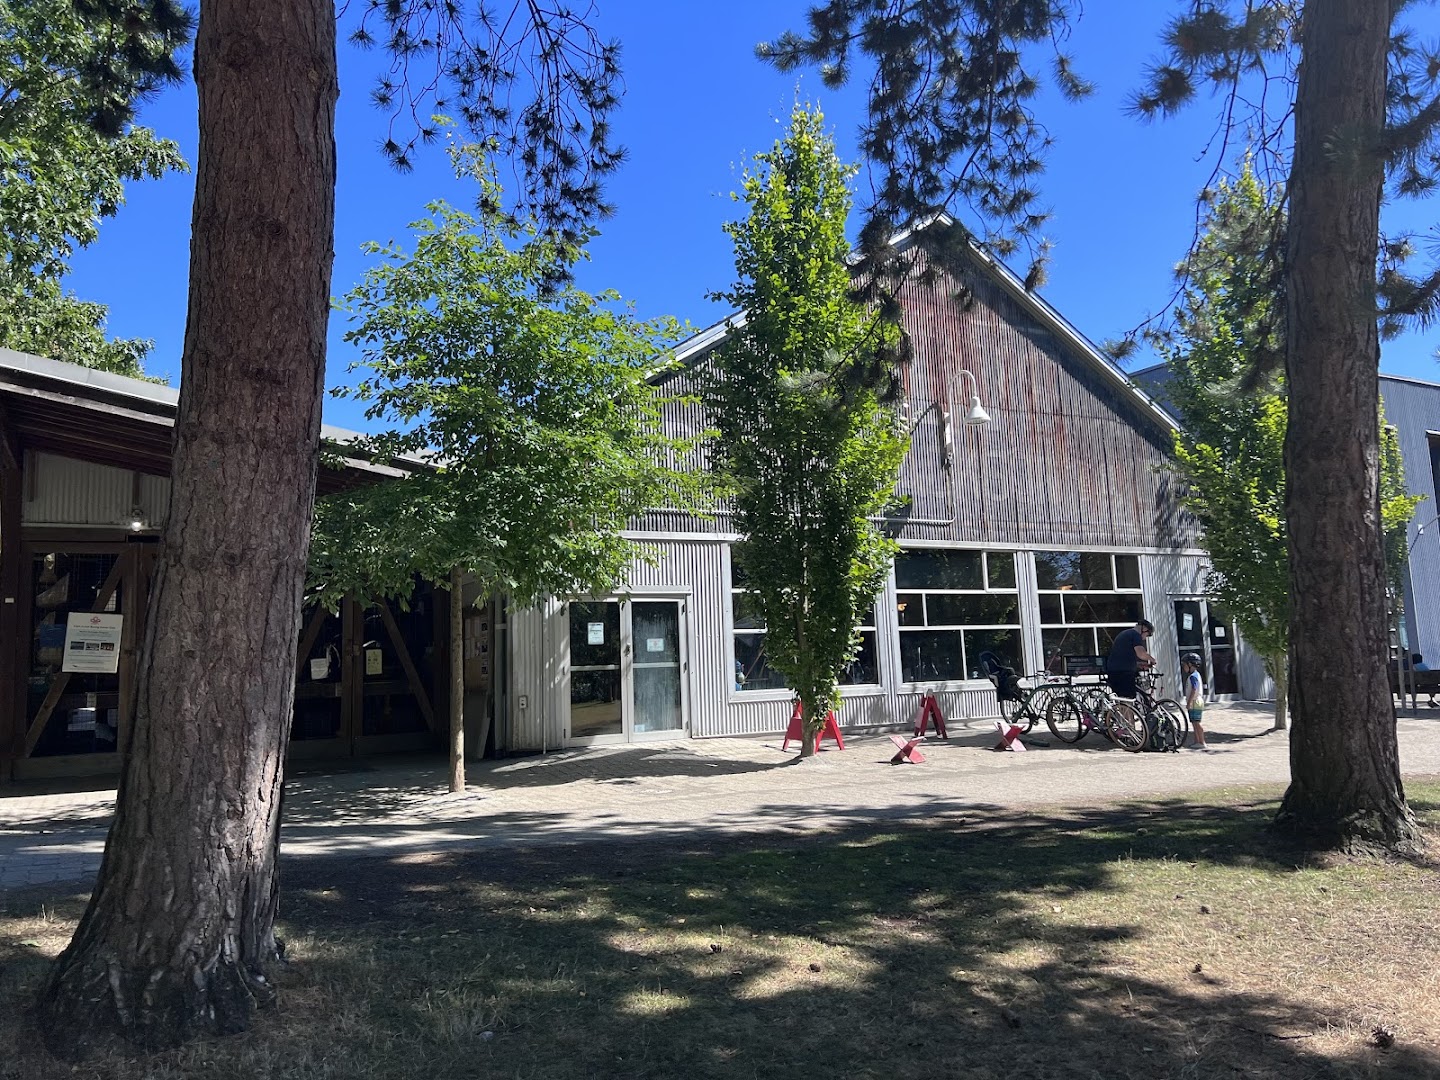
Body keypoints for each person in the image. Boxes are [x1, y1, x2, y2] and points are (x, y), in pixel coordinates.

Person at [1104, 619, 1155, 699]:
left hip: (1114, 671)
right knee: (1128, 698)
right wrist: (1152, 659)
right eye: (1147, 635)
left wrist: (1139, 665)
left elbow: (1123, 657)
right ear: (1144, 628)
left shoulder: (1126, 634)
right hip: (1123, 673)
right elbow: (1141, 653)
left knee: (1122, 698)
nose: (1145, 638)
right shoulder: (1135, 635)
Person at [1181, 652, 1209, 750]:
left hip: (1195, 702)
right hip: (1194, 701)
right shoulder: (1194, 675)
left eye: (1185, 665)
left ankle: (1202, 741)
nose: (1184, 667)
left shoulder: (1193, 676)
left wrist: (1189, 702)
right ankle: (1197, 741)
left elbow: (1194, 689)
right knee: (1194, 722)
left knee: (1197, 723)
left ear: (1190, 664)